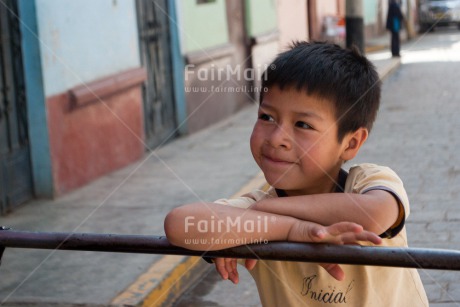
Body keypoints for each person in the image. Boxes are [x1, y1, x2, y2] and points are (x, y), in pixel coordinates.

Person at [164, 42, 428, 306]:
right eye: (267, 117)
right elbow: (180, 224)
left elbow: (375, 214)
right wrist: (292, 229)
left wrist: (259, 218)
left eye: (303, 124)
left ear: (350, 143)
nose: (278, 138)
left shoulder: (367, 182)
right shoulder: (259, 207)